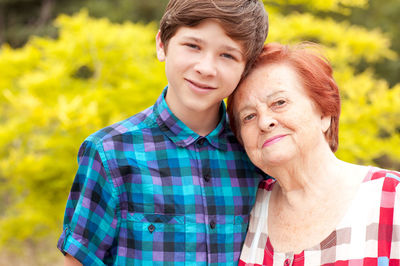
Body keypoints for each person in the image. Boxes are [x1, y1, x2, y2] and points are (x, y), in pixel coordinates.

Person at [57, 0, 269, 265]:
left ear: (245, 69)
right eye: (193, 46)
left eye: (227, 55)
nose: (206, 68)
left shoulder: (257, 152)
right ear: (162, 45)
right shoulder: (110, 152)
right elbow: (80, 259)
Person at [227, 42, 400, 265]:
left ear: (325, 114)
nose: (264, 121)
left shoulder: (391, 198)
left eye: (279, 102)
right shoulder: (246, 208)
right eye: (248, 116)